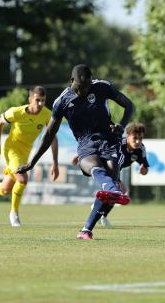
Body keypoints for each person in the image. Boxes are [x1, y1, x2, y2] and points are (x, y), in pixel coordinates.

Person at [16, 64, 135, 239]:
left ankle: (86, 230)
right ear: (72, 81)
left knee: (109, 181)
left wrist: (122, 125)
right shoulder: (62, 101)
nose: (84, 91)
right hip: (86, 144)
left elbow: (129, 105)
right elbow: (49, 134)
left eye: (87, 86)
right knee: (95, 169)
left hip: (109, 140)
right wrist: (32, 163)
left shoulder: (102, 86)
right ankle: (112, 189)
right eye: (80, 87)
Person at [0, 86, 59, 227]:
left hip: (25, 153)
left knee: (5, 190)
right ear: (30, 99)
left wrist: (55, 162)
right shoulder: (16, 112)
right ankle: (14, 214)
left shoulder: (47, 114)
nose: (40, 104)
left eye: (43, 101)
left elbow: (53, 138)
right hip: (11, 150)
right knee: (22, 179)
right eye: (37, 100)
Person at [71, 122, 149, 228]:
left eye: (140, 139)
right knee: (118, 190)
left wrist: (143, 170)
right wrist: (80, 155)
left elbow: (145, 171)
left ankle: (101, 214)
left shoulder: (141, 149)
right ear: (128, 136)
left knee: (118, 192)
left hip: (115, 170)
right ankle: (100, 213)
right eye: (135, 138)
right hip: (103, 165)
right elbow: (97, 146)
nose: (138, 141)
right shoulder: (119, 143)